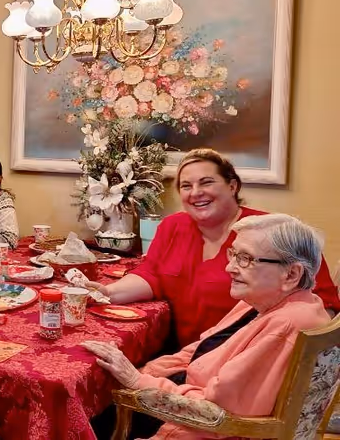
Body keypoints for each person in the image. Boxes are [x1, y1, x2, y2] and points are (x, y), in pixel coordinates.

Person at [83, 214, 333, 440]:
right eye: (233, 254)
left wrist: (137, 381)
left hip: (203, 429)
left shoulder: (286, 325)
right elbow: (200, 350)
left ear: (291, 275)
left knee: (87, 414)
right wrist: (147, 372)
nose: (229, 267)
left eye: (245, 259)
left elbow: (217, 413)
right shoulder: (268, 301)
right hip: (188, 398)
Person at [91, 149, 340, 348]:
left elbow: (323, 309)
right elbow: (151, 274)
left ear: (232, 186)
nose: (196, 193)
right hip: (190, 353)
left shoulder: (273, 233)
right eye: (186, 186)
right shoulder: (173, 226)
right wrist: (105, 292)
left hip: (246, 358)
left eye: (206, 182)